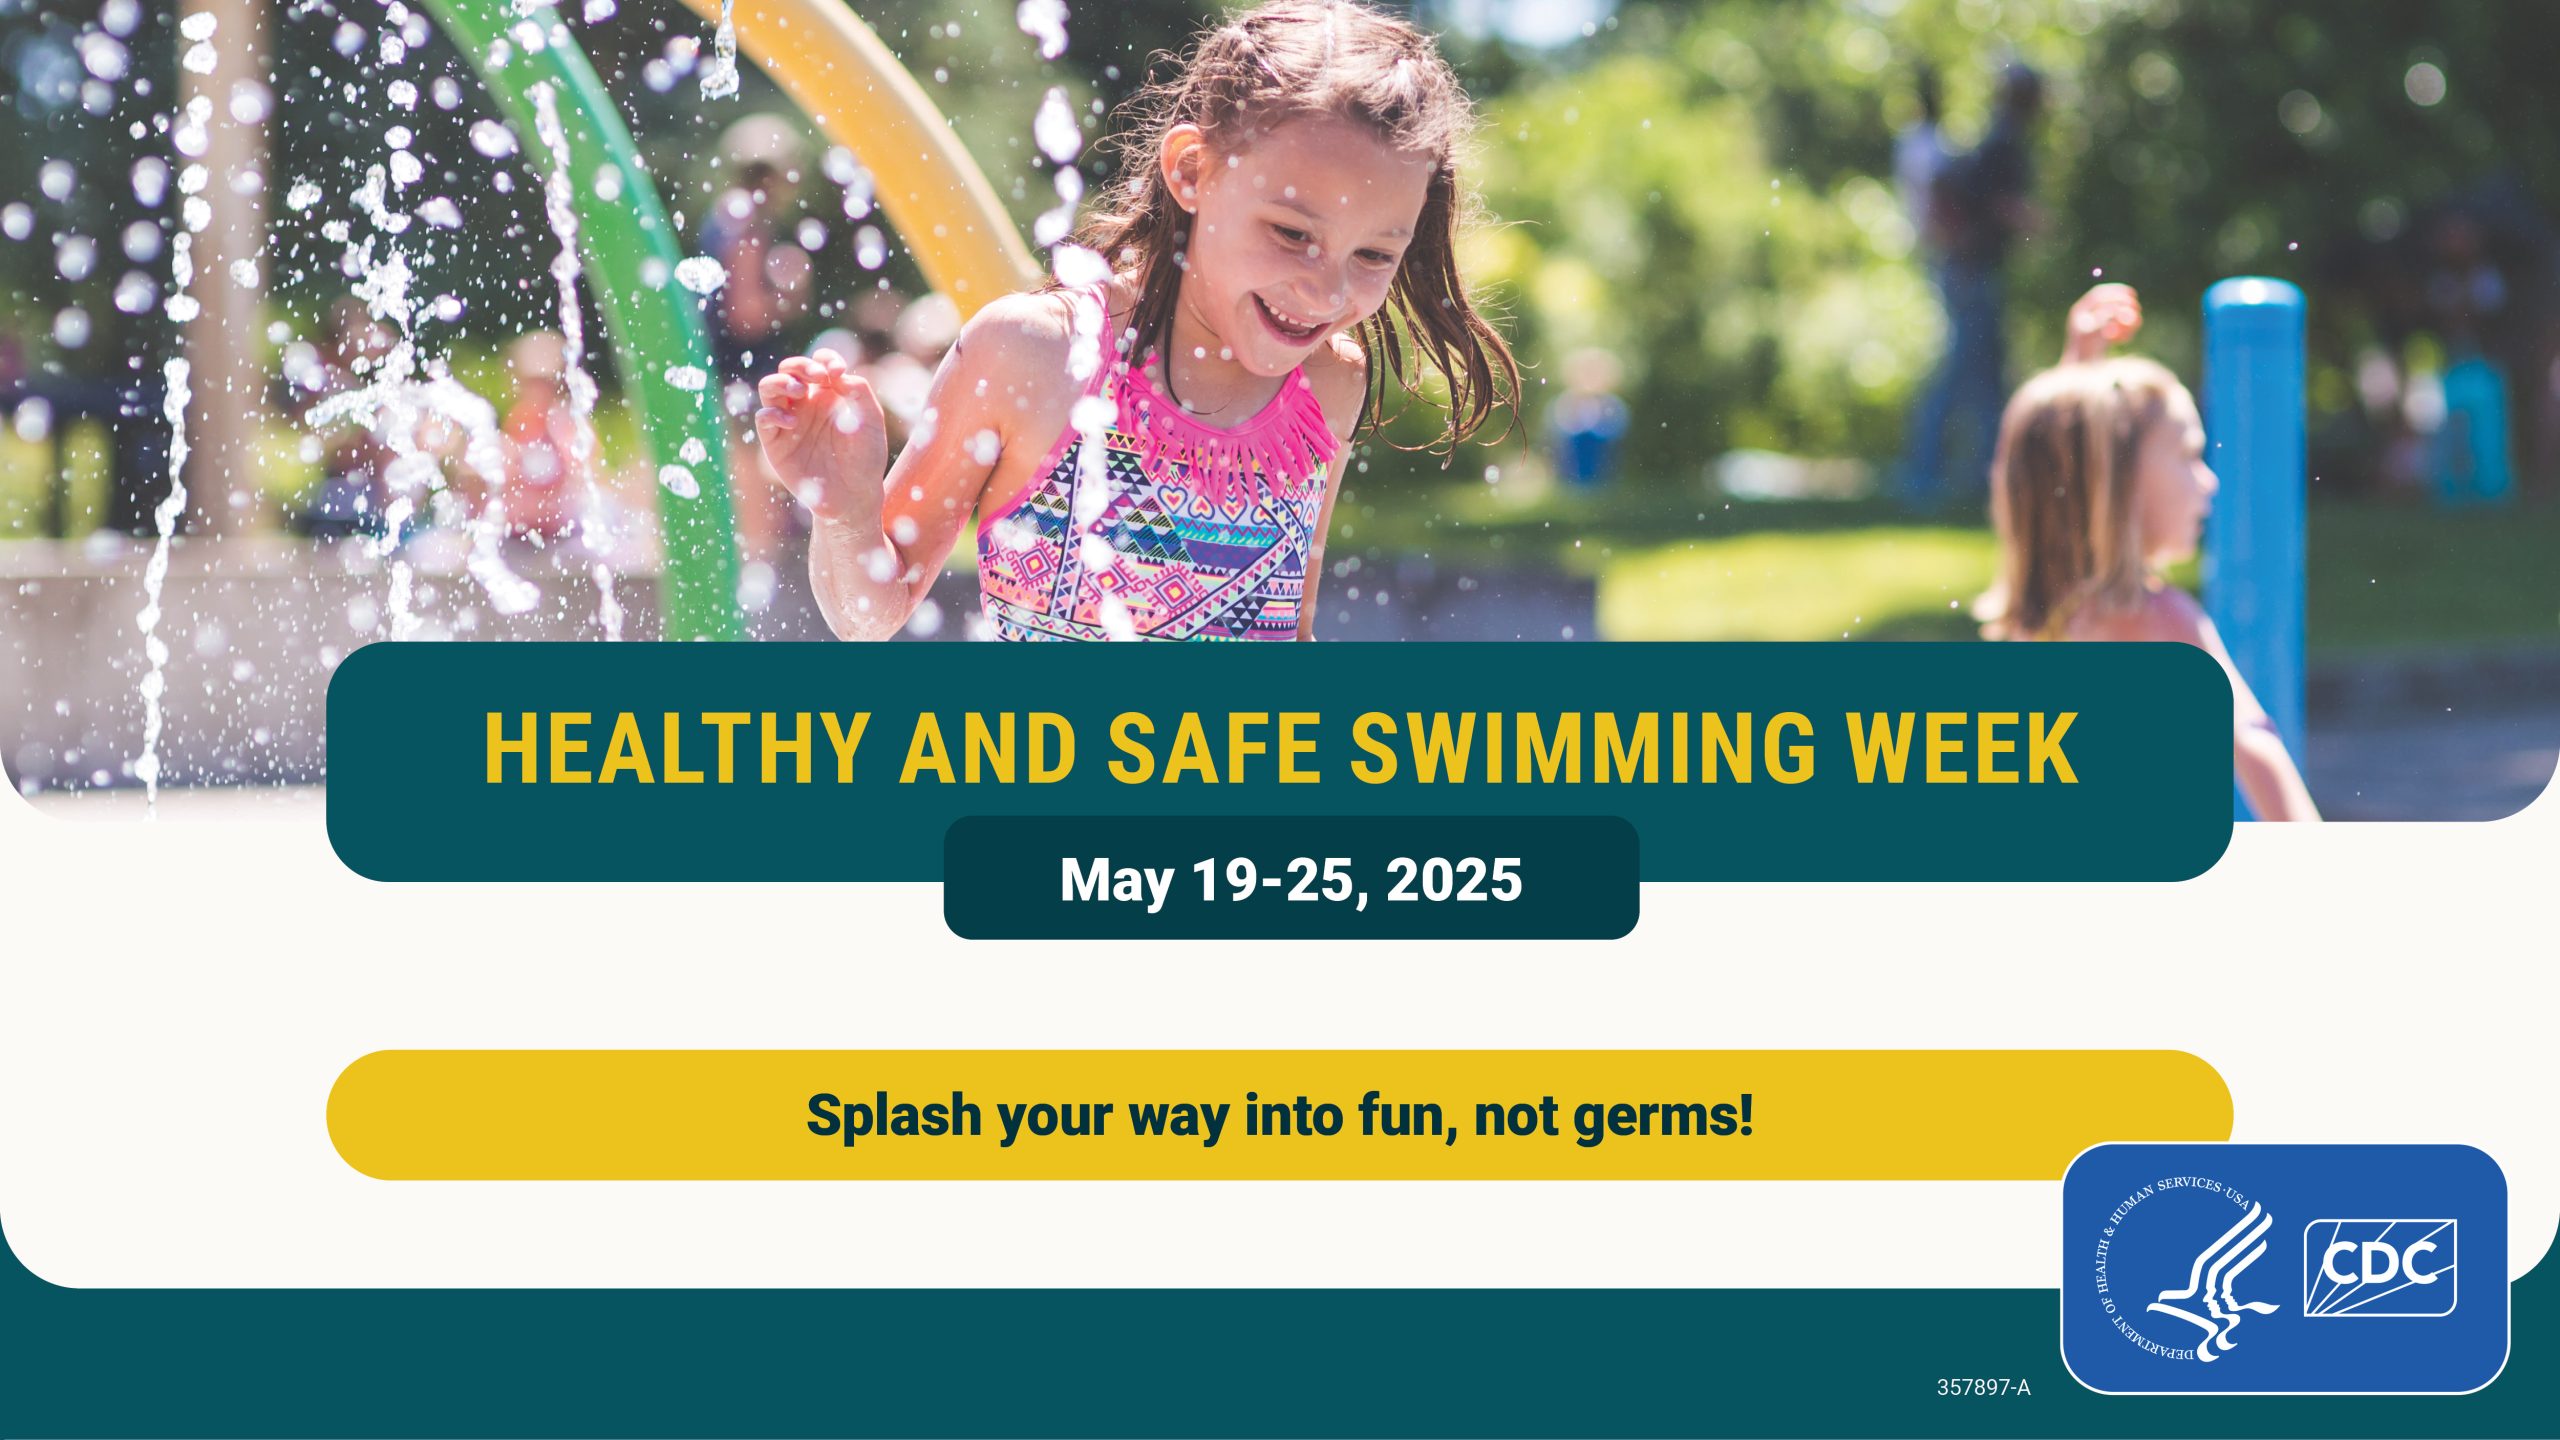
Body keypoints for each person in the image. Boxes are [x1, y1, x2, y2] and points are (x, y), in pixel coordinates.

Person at [754, 0, 1519, 642]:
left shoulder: (1327, 388)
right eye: (1291, 234)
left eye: (1374, 256)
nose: (1324, 292)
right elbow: (868, 612)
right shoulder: (1035, 355)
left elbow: (1292, 631)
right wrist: (847, 510)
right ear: (1192, 172)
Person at [1979, 284, 2320, 821]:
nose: (2209, 482)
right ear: (2119, 486)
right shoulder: (2159, 621)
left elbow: (2038, 469)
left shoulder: (2044, 616)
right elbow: (2256, 749)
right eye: (2189, 455)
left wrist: (2078, 372)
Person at [1902, 61, 2045, 512]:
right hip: (1971, 271)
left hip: (1971, 270)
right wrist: (2036, 224)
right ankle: (1923, 476)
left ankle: (1983, 476)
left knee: (1984, 375)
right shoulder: (2004, 143)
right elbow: (2000, 203)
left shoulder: (1995, 139)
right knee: (1961, 371)